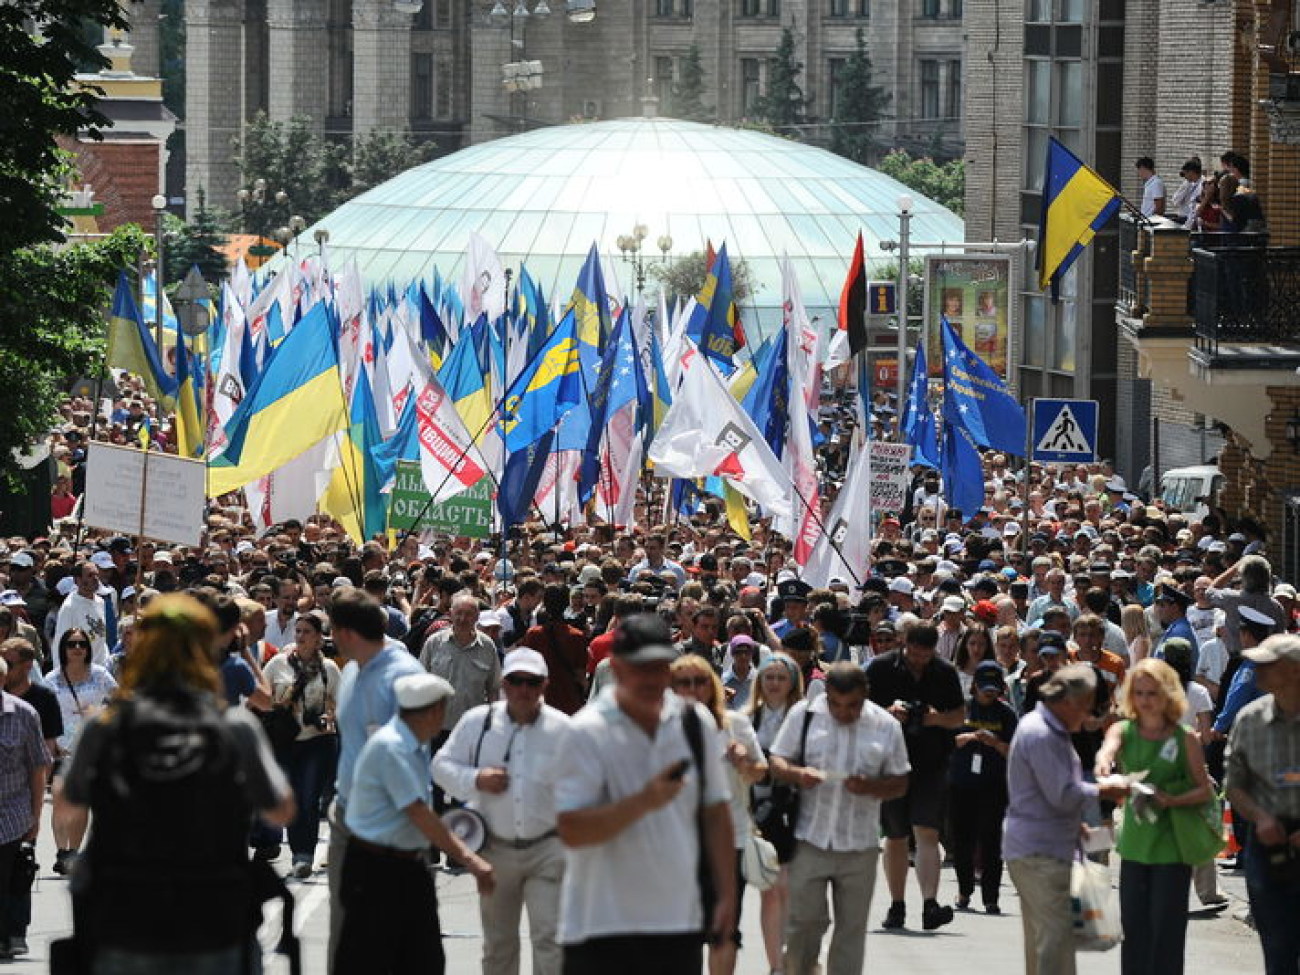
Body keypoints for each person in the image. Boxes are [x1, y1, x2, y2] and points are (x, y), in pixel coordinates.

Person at [58, 593, 295, 973]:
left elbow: (69, 801)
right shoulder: (234, 729)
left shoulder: (104, 727)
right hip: (212, 915)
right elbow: (281, 809)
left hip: (125, 916)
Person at [554, 613, 736, 974]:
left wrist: (726, 896)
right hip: (600, 926)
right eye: (642, 668)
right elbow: (572, 830)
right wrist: (645, 801)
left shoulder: (693, 722)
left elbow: (715, 811)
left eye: (660, 667)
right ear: (617, 668)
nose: (653, 678)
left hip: (677, 922)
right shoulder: (585, 732)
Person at [337, 673, 495, 975]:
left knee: (422, 960)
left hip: (406, 866)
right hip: (375, 870)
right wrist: (471, 860)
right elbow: (420, 813)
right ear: (433, 711)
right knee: (374, 959)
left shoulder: (412, 743)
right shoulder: (392, 748)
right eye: (442, 710)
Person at [432, 648, 571, 975]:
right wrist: (475, 778)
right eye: (516, 681)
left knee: (551, 941)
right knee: (498, 946)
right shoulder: (477, 722)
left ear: (544, 686)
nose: (524, 689)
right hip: (494, 849)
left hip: (548, 848)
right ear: (503, 684)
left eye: (532, 682)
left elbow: (587, 784)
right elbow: (440, 766)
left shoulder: (563, 728)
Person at [769, 662, 909, 975]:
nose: (843, 712)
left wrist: (871, 786)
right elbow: (777, 760)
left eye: (852, 706)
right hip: (810, 838)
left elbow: (901, 782)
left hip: (859, 844)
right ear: (826, 695)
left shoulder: (885, 725)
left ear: (865, 697)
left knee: (851, 932)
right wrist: (797, 773)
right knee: (803, 923)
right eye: (835, 704)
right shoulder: (804, 715)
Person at [1004, 664, 1127, 975]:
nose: (1087, 717)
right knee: (1054, 943)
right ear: (1068, 702)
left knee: (1045, 941)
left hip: (1042, 847)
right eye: (1085, 708)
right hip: (1040, 853)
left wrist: (1077, 824)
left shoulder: (1046, 729)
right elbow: (1062, 793)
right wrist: (1106, 789)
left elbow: (1051, 794)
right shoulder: (1043, 734)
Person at [1094, 659, 1215, 975]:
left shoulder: (1184, 737)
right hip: (1135, 847)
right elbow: (1108, 749)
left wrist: (1172, 799)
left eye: (1152, 693)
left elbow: (1205, 790)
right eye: (1139, 693)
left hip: (1173, 848)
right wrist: (1105, 767)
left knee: (1167, 933)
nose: (1146, 700)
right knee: (1134, 931)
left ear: (1168, 695)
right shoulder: (1125, 730)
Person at [326, 589, 425, 974]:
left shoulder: (404, 678)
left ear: (346, 632)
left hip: (388, 830)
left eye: (333, 631)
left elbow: (412, 761)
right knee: (345, 930)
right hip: (347, 817)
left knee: (388, 936)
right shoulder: (351, 669)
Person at [864, 621, 965, 930]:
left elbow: (959, 716)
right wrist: (887, 711)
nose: (919, 660)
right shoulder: (880, 669)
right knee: (895, 836)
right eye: (913, 653)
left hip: (931, 762)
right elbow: (858, 709)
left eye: (925, 655)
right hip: (890, 763)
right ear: (903, 644)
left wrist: (935, 717)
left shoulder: (944, 672)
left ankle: (930, 903)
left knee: (927, 831)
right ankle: (897, 905)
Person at [669, 653, 765, 975]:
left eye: (700, 682)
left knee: (724, 930)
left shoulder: (735, 724)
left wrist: (743, 763)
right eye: (684, 682)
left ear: (712, 686)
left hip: (730, 839)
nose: (693, 689)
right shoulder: (661, 729)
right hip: (677, 842)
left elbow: (760, 772)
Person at [1224, 634, 1300, 975]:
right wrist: (1260, 817)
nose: (1256, 670)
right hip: (1267, 843)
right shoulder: (1249, 720)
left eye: (1268, 664)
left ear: (1295, 671)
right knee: (1277, 945)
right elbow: (1234, 785)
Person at [262, 610, 341, 877]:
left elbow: (340, 704)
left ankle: (303, 855)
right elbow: (261, 694)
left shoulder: (329, 668)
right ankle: (298, 850)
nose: (301, 637)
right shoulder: (278, 664)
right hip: (284, 741)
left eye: (307, 632)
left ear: (319, 637)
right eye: (298, 631)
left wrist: (329, 715)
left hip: (316, 742)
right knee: (292, 799)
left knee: (308, 799)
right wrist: (278, 707)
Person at [746, 652, 804, 975]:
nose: (775, 684)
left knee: (792, 889)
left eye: (782, 678)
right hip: (761, 812)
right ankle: (776, 965)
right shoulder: (747, 718)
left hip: (799, 810)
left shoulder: (804, 718)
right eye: (769, 677)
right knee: (773, 889)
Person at [48, 626, 117, 875]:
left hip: (91, 747)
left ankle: (73, 851)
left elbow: (121, 702)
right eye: (72, 644)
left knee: (80, 803)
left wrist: (101, 713)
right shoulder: (52, 679)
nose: (77, 649)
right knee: (59, 799)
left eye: (81, 644)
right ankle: (61, 850)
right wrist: (50, 741)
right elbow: (45, 714)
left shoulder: (100, 675)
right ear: (63, 649)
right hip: (62, 748)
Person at [949, 661, 1017, 913]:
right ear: (974, 686)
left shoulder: (1006, 714)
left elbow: (1015, 753)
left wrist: (996, 743)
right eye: (984, 688)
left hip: (994, 785)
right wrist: (965, 738)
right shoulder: (963, 710)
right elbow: (946, 742)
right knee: (962, 839)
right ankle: (964, 890)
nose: (989, 693)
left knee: (991, 841)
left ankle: (991, 897)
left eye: (994, 689)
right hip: (962, 783)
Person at [0, 656, 50, 962]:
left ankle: (10, 934)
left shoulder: (23, 714)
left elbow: (37, 767)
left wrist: (35, 816)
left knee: (9, 877)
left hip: (11, 814)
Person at [420, 591, 503, 733]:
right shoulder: (434, 643)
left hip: (473, 729)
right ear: (451, 614)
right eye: (458, 613)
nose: (463, 618)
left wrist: (493, 723)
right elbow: (420, 682)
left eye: (469, 614)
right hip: (437, 728)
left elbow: (493, 689)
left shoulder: (487, 646)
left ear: (477, 617)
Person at [519, 584, 589, 715]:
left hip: (540, 703)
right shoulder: (576, 636)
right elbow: (580, 674)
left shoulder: (533, 635)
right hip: (569, 703)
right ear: (567, 603)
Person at [53, 561, 110, 667]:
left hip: (102, 669)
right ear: (77, 580)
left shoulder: (100, 602)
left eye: (96, 574)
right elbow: (60, 644)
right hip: (81, 670)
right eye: (90, 575)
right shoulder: (69, 607)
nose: (95, 579)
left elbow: (101, 637)